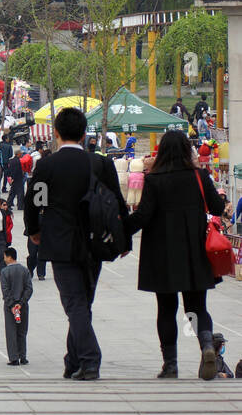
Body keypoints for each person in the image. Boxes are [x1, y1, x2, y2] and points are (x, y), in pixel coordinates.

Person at [24, 107, 129, 381]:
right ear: (84, 134)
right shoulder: (100, 164)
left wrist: (34, 230)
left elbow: (36, 201)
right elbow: (117, 201)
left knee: (74, 304)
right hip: (95, 243)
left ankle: (90, 360)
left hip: (60, 242)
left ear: (56, 133)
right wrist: (124, 238)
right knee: (82, 303)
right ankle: (72, 362)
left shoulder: (47, 165)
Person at [125, 128, 226, 379]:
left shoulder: (155, 180)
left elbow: (143, 216)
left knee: (166, 308)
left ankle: (170, 365)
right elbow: (216, 206)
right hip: (194, 251)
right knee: (196, 306)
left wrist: (119, 229)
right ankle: (205, 346)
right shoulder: (200, 176)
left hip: (162, 253)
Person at [0, 247, 32, 366]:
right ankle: (23, 356)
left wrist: (12, 305)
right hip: (23, 306)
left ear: (9, 257)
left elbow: (5, 290)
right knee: (22, 331)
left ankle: (14, 357)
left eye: (4, 256)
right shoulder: (25, 270)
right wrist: (21, 303)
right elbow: (29, 288)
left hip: (10, 307)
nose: (4, 259)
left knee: (11, 331)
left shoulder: (4, 272)